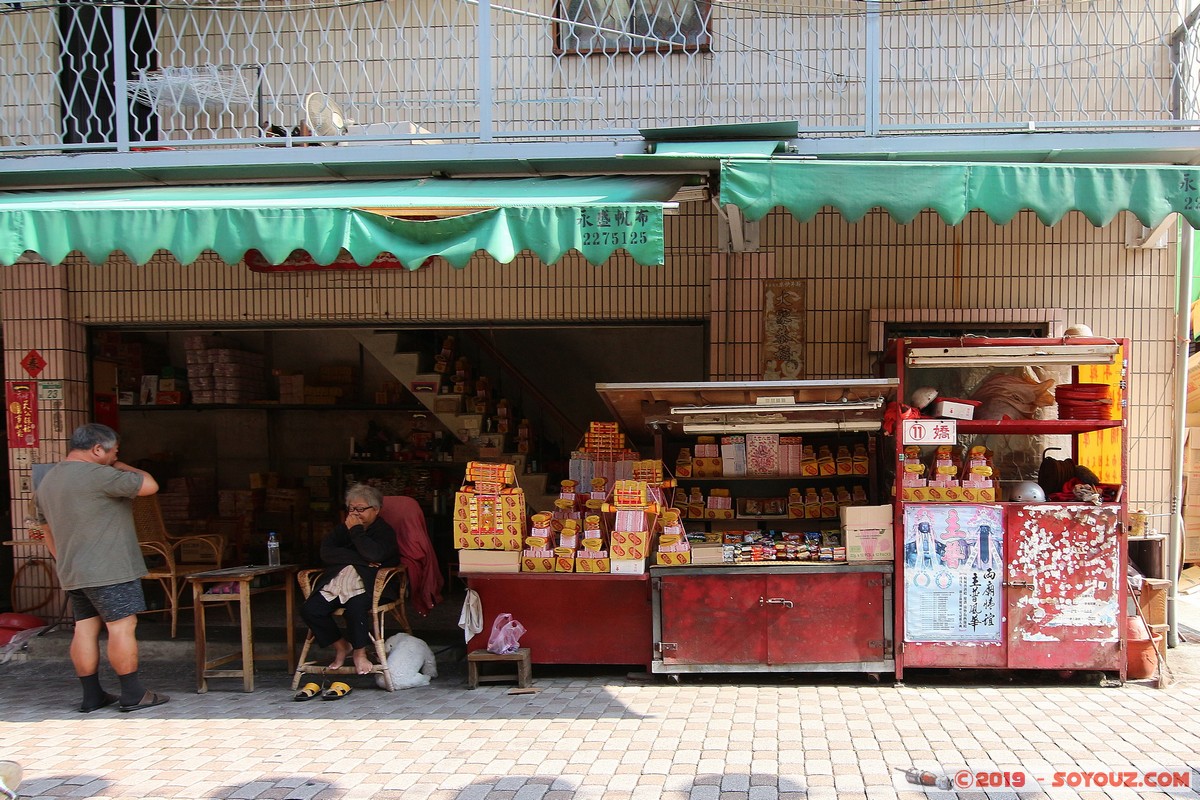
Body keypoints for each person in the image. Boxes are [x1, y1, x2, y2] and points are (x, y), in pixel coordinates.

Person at [35, 423, 168, 713]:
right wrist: (120, 464)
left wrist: (66, 562)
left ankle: (92, 696)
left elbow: (47, 532)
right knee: (122, 626)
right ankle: (133, 693)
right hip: (109, 569)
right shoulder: (100, 475)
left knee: (84, 629)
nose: (114, 457)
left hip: (73, 571)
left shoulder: (48, 481)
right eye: (113, 451)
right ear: (97, 449)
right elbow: (149, 485)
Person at [300, 484, 400, 674]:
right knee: (310, 609)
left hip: (372, 586)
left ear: (376, 510)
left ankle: (359, 653)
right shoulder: (343, 529)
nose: (355, 514)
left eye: (361, 509)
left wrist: (356, 532)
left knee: (355, 608)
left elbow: (374, 553)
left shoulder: (384, 531)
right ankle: (341, 646)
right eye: (352, 509)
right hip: (339, 583)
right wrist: (360, 559)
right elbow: (326, 553)